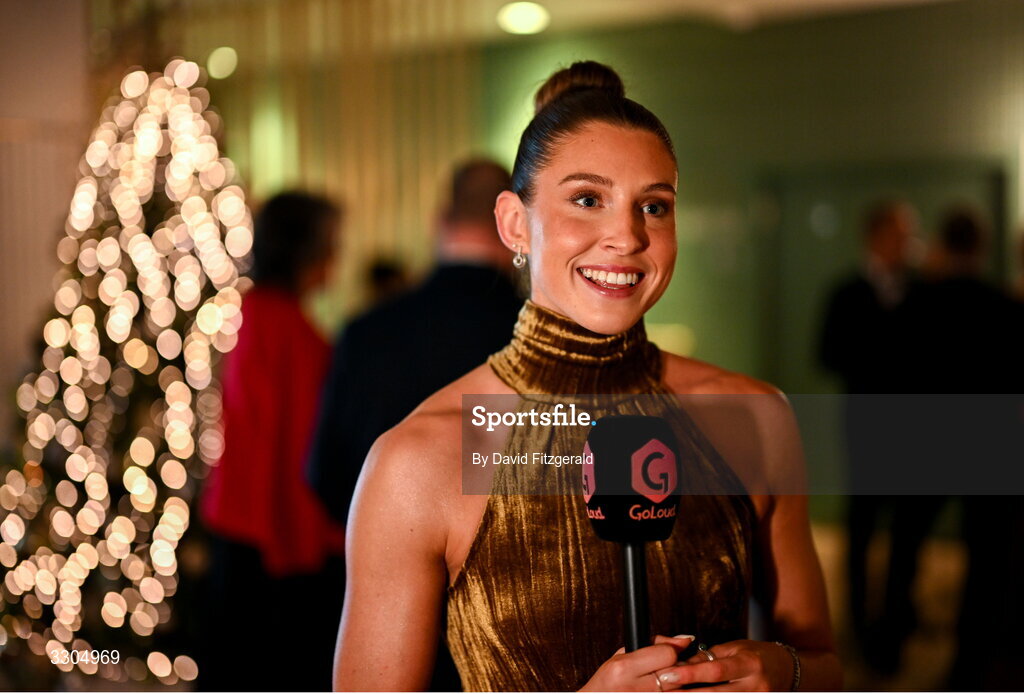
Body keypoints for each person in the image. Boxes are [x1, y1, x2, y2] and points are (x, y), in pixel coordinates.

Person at [334, 62, 840, 691]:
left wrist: (779, 669)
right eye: (586, 199)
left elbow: (825, 663)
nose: (626, 236)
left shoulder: (755, 415)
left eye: (653, 206)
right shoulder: (417, 460)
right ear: (515, 223)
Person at [307, 158, 521, 690]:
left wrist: (383, 539)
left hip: (380, 613)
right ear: (513, 226)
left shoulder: (366, 331)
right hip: (512, 624)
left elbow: (323, 472)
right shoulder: (536, 338)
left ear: (439, 222)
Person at [198, 191, 344, 691]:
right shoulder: (291, 334)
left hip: (245, 530)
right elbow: (293, 456)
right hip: (271, 544)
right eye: (332, 242)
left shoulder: (257, 315)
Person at [818, 200, 933, 675]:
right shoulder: (846, 292)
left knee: (908, 531)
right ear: (878, 236)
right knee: (863, 527)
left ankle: (896, 622)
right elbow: (827, 353)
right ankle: (859, 628)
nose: (908, 243)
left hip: (915, 431)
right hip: (865, 427)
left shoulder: (924, 292)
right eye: (901, 233)